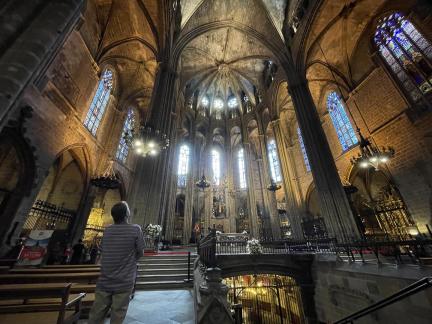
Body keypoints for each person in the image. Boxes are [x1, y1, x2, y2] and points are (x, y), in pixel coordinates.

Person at [88, 201, 145, 324]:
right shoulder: (135, 229)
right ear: (126, 214)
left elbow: (102, 250)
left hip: (105, 279)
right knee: (118, 314)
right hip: (124, 280)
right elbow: (141, 252)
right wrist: (129, 261)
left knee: (96, 314)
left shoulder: (107, 230)